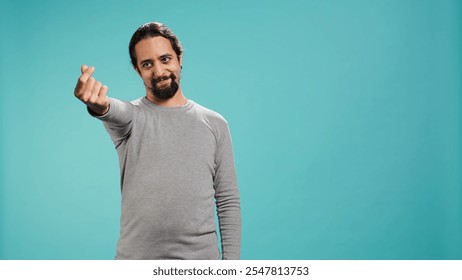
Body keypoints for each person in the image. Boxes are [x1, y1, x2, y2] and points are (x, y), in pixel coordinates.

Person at [73, 22, 241, 260]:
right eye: (147, 64)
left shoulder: (215, 124)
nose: (159, 71)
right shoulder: (131, 118)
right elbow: (113, 109)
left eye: (165, 59)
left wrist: (232, 268)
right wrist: (98, 104)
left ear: (179, 57)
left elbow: (227, 201)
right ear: (137, 69)